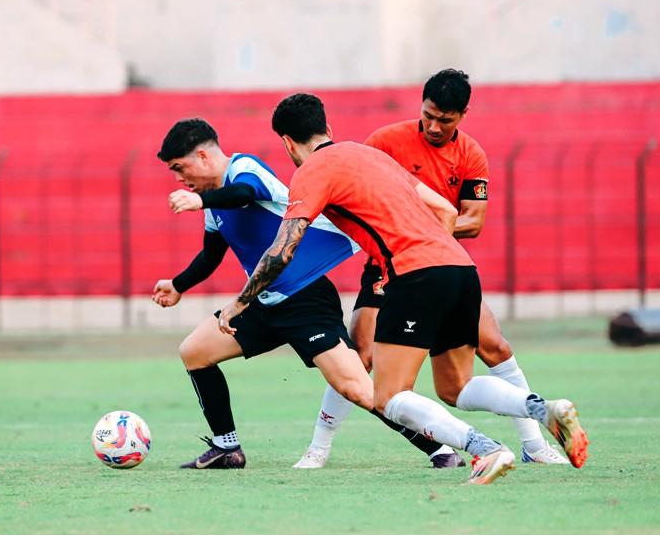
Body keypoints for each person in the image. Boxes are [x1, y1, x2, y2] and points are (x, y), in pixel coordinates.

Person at [218, 93, 589, 485]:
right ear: (328, 129)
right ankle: (543, 408)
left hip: (415, 275)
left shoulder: (310, 172)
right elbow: (446, 211)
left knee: (389, 396)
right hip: (460, 267)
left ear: (287, 143)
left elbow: (282, 251)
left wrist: (239, 303)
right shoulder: (373, 156)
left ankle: (486, 449)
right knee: (455, 386)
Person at [294, 69, 567, 469]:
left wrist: (416, 225)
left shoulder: (471, 154)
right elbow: (358, 196)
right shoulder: (385, 142)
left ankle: (534, 445)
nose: (434, 126)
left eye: (446, 119)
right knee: (360, 355)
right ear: (420, 106)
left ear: (464, 115)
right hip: (387, 266)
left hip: (435, 265)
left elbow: (474, 220)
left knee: (494, 347)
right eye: (428, 115)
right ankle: (319, 447)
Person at [152, 118, 460, 469]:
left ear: (204, 157)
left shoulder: (244, 169)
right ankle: (227, 448)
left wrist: (197, 200)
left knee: (357, 389)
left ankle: (440, 448)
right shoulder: (212, 201)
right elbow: (211, 255)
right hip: (262, 301)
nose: (179, 178)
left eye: (180, 168)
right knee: (194, 352)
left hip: (306, 298)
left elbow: (246, 194)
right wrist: (177, 286)